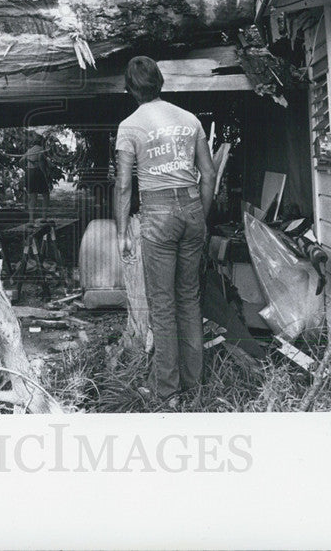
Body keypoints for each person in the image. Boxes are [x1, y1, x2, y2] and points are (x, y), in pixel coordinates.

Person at [114, 56, 216, 410]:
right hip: (190, 209)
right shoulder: (189, 120)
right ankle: (194, 385)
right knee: (189, 299)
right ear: (160, 82)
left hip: (156, 213)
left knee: (162, 306)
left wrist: (122, 229)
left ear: (130, 89)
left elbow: (124, 185)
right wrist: (199, 216)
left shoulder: (129, 126)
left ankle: (167, 392)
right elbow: (209, 174)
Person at [24, 132, 52, 224]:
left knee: (33, 197)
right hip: (38, 173)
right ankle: (44, 217)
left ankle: (31, 220)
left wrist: (26, 169)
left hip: (29, 172)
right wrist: (45, 175)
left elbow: (21, 161)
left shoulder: (29, 150)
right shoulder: (41, 150)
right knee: (46, 195)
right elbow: (41, 162)